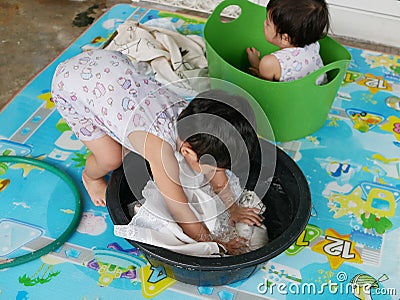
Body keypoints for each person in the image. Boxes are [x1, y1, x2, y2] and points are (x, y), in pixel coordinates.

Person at [51, 49, 263, 254]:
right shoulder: (160, 150)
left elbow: (217, 173)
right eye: (210, 166)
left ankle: (123, 129)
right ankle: (90, 178)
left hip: (109, 67)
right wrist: (214, 243)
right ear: (188, 152)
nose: (216, 172)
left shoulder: (197, 119)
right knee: (112, 158)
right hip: (74, 86)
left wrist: (233, 207)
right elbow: (180, 209)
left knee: (129, 141)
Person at [246, 0, 330, 83]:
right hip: (319, 91)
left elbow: (264, 88)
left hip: (293, 96)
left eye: (268, 23)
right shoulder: (313, 44)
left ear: (285, 38)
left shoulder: (269, 63)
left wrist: (255, 63)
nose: (264, 23)